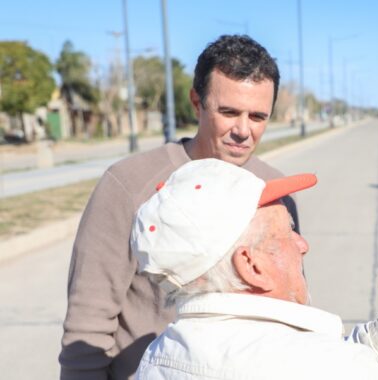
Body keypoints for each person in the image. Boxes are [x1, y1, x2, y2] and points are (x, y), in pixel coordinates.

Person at [59, 35, 298, 379]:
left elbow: (291, 305)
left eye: (258, 116)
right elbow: (87, 325)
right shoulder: (128, 184)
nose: (243, 130)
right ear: (196, 102)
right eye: (229, 112)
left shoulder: (277, 192)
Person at [131, 159, 378, 379]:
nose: (303, 244)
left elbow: (336, 360)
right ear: (251, 265)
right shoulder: (310, 368)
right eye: (288, 232)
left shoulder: (159, 357)